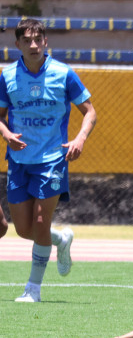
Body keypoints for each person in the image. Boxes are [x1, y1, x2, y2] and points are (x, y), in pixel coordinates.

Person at [0, 18, 96, 303]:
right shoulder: (7, 77)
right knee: (24, 229)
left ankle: (33, 288)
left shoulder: (64, 74)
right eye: (27, 40)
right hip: (19, 160)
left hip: (53, 158)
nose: (33, 45)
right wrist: (6, 135)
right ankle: (60, 239)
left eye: (38, 39)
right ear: (17, 44)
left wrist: (79, 139)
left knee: (41, 221)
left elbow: (90, 112)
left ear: (45, 42)